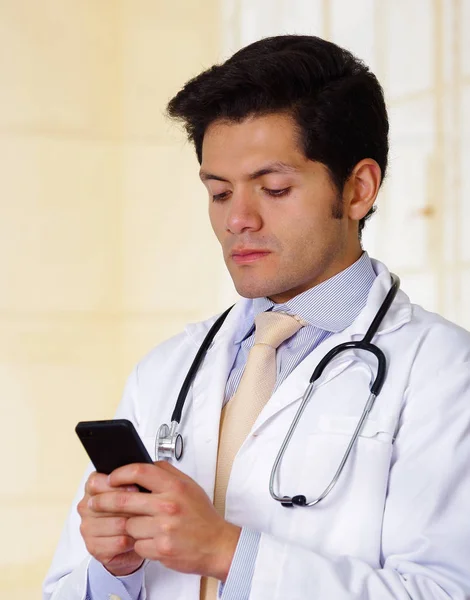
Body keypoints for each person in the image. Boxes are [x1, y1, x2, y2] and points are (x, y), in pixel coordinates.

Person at [43, 35, 470, 600]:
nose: (237, 220)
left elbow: (446, 590)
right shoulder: (167, 371)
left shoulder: (444, 372)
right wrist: (113, 569)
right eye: (219, 194)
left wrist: (225, 551)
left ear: (358, 189)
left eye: (273, 188)